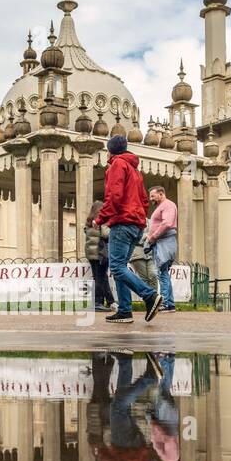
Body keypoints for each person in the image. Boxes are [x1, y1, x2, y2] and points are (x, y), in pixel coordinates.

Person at [94, 134, 163, 324]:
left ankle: (149, 296)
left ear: (110, 150)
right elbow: (143, 200)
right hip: (136, 225)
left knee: (115, 266)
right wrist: (139, 217)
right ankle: (125, 310)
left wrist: (100, 218)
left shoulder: (117, 165)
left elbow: (114, 196)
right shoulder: (134, 170)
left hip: (122, 223)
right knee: (120, 268)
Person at [144, 185, 178, 313]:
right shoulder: (164, 206)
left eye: (153, 196)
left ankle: (165, 303)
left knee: (162, 274)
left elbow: (167, 223)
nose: (150, 198)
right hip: (164, 242)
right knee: (164, 274)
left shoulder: (167, 205)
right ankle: (170, 303)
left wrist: (153, 237)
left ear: (161, 194)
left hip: (164, 242)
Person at [83, 201, 113, 312]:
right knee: (100, 278)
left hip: (91, 254)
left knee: (99, 277)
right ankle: (98, 302)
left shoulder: (88, 221)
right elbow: (106, 234)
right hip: (100, 253)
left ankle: (110, 301)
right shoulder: (102, 220)